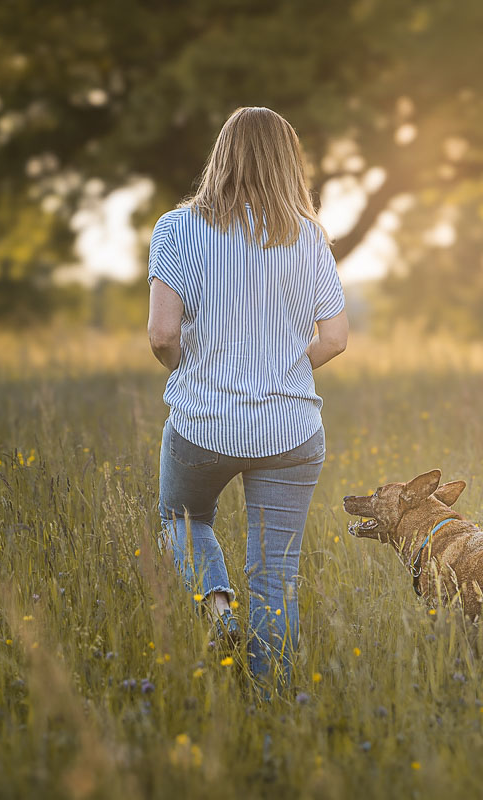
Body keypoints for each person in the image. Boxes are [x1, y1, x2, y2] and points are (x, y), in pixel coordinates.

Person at [146, 106, 348, 691]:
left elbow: (161, 334)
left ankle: (214, 605)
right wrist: (286, 365)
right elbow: (334, 339)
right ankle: (271, 701)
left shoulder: (177, 228)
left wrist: (193, 369)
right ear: (290, 162)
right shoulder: (308, 236)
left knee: (182, 518)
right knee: (277, 574)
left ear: (221, 154)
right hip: (290, 431)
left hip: (202, 425)